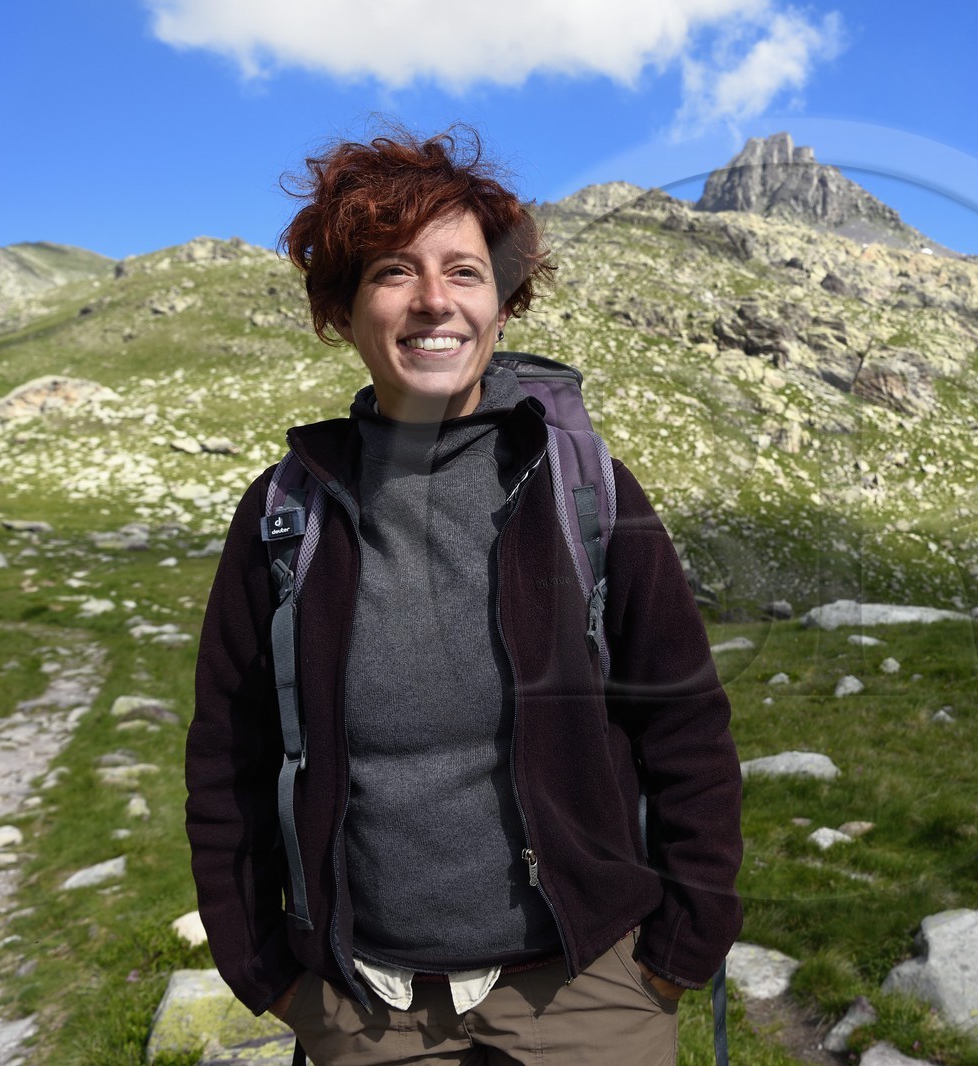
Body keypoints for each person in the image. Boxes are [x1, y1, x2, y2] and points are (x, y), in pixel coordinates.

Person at [186, 126, 743, 1065]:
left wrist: (675, 958)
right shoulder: (286, 511)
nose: (433, 300)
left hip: (589, 986)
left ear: (502, 303)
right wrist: (265, 971)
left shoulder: (587, 486)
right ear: (345, 311)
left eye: (466, 272)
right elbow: (226, 764)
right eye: (394, 272)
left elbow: (685, 725)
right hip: (364, 1004)